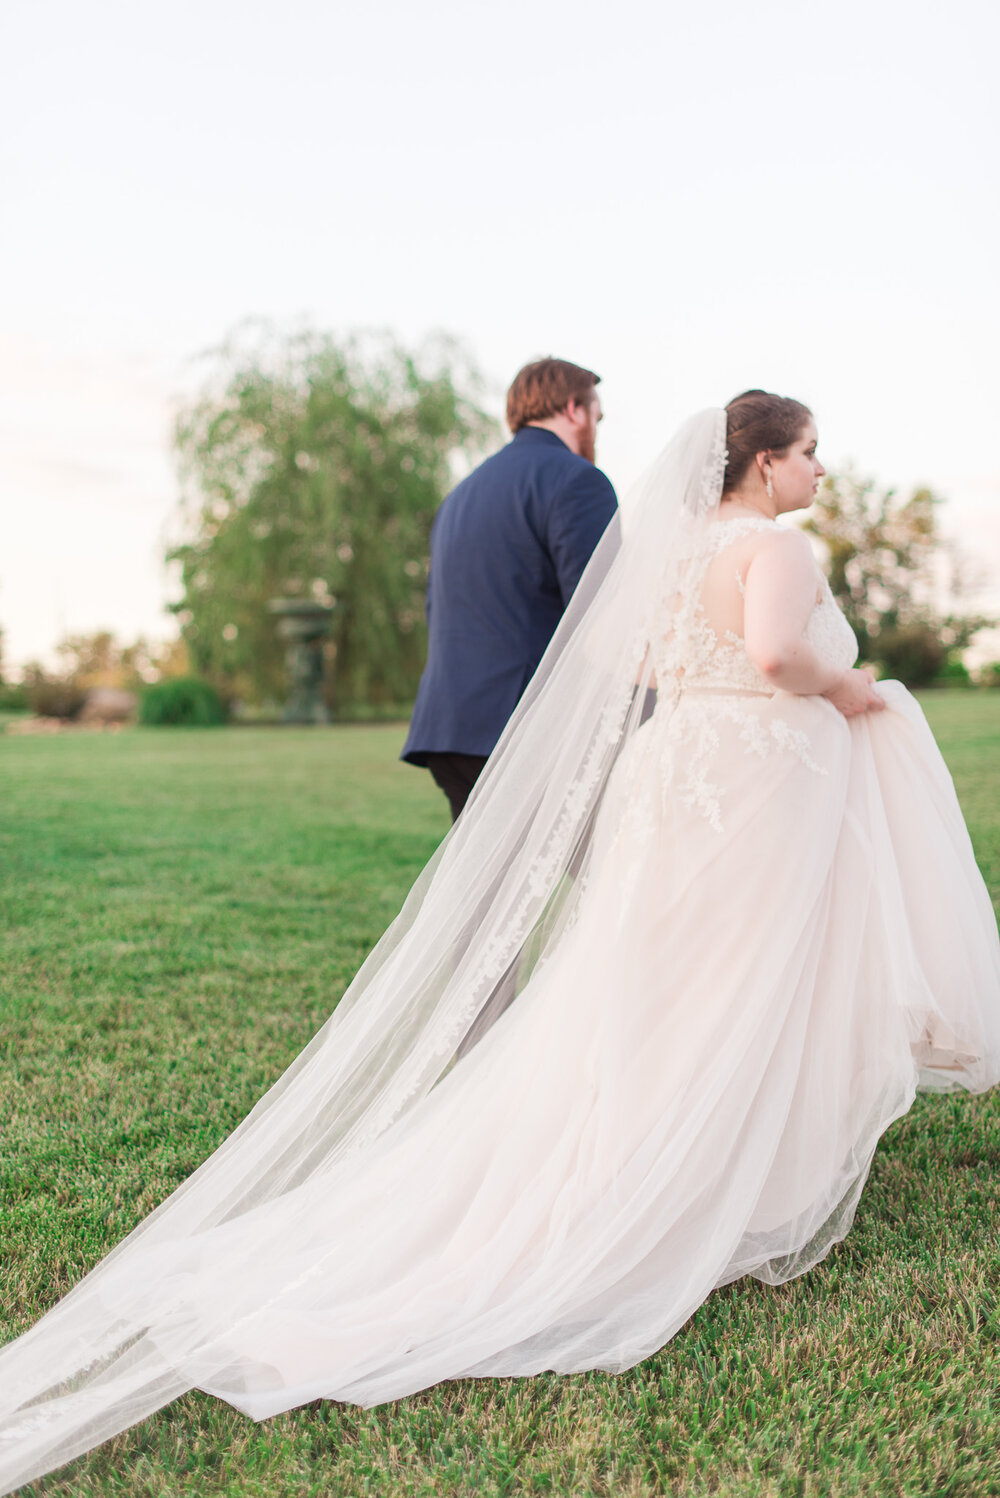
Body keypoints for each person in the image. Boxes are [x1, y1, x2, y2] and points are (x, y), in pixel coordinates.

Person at [1, 393, 998, 1495]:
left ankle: (677, 1150)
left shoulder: (667, 553)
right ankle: (709, 1180)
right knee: (742, 980)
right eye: (808, 453)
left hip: (676, 777)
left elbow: (643, 667)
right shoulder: (770, 549)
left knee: (662, 983)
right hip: (756, 781)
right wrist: (849, 685)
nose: (818, 471)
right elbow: (772, 655)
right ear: (761, 465)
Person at [402, 356, 619, 820]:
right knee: (614, 871)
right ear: (574, 409)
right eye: (597, 417)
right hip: (523, 726)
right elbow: (600, 610)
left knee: (486, 888)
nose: (597, 431)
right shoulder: (579, 481)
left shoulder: (460, 495)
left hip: (450, 725)